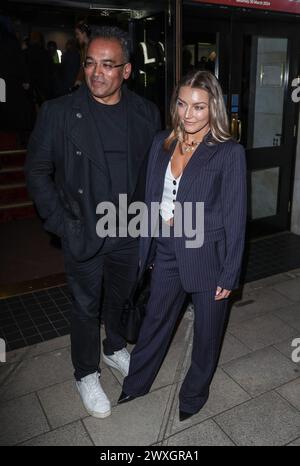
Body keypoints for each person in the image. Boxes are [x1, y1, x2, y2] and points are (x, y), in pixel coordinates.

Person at [25, 26, 161, 419]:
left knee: (119, 298)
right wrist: (62, 223)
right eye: (90, 63)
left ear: (127, 70)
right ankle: (85, 373)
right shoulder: (58, 113)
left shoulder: (145, 113)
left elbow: (153, 171)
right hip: (83, 229)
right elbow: (37, 171)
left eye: (108, 65)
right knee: (86, 307)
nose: (96, 73)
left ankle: (115, 345)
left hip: (129, 231)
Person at [118, 70, 247, 421]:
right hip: (166, 249)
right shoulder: (162, 142)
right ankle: (136, 382)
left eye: (199, 107)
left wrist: (230, 271)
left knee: (206, 334)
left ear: (213, 109)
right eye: (182, 104)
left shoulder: (228, 153)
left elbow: (236, 218)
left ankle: (194, 394)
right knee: (155, 320)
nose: (188, 114)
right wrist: (148, 246)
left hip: (208, 256)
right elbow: (150, 200)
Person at [74, 21, 91, 88]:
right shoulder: (83, 48)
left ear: (84, 33)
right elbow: (83, 65)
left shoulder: (93, 47)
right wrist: (78, 80)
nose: (76, 37)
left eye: (78, 34)